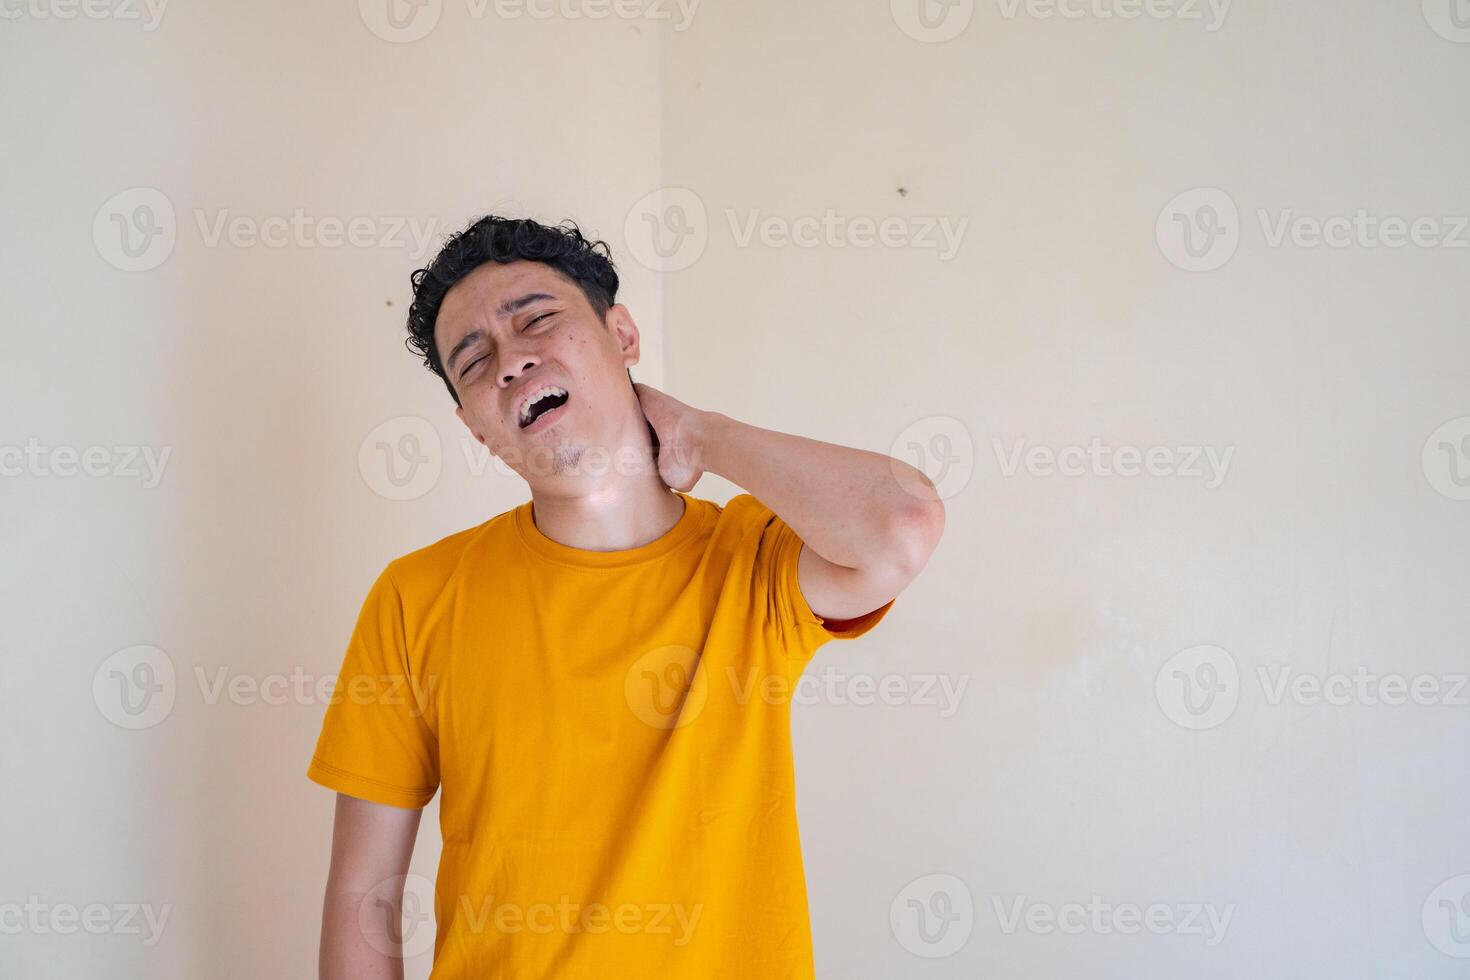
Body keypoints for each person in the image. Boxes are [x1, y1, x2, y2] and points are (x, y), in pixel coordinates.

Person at [308, 214, 945, 979]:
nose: (511, 360)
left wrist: (703, 436)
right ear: (474, 427)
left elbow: (902, 523)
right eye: (474, 361)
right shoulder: (416, 595)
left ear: (623, 335)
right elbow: (362, 894)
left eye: (537, 319)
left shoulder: (752, 562)